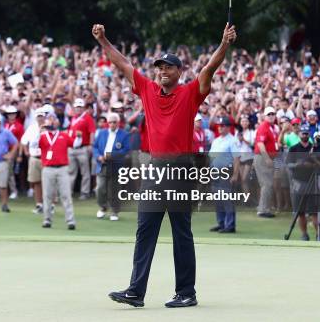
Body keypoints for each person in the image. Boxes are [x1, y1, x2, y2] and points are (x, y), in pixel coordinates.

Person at [92, 22, 236, 308]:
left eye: (167, 68)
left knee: (181, 232)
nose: (161, 71)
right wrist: (103, 40)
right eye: (159, 67)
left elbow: (209, 68)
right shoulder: (146, 90)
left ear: (178, 72)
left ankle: (187, 292)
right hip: (154, 169)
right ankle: (136, 291)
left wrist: (225, 44)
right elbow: (121, 62)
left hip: (181, 169)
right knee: (145, 229)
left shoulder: (190, 92)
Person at [38, 115, 81, 229]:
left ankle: (70, 221)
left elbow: (75, 144)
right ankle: (47, 219)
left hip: (62, 168)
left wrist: (79, 138)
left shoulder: (63, 135)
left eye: (54, 120)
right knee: (47, 195)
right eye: (50, 120)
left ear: (58, 123)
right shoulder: (42, 136)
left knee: (66, 195)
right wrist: (40, 130)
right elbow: (33, 144)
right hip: (48, 168)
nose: (52, 122)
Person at [286, 124, 320, 241]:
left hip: (313, 182)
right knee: (300, 212)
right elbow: (288, 164)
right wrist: (299, 164)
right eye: (303, 133)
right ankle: (304, 234)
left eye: (307, 133)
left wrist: (312, 164)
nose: (305, 135)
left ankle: (319, 235)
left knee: (314, 212)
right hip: (298, 182)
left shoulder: (315, 148)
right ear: (299, 134)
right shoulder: (293, 148)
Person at [93, 112, 130, 221]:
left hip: (116, 165)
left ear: (118, 123)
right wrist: (98, 156)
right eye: (110, 122)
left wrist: (110, 155)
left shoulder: (124, 134)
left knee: (114, 189)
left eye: (114, 122)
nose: (112, 124)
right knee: (100, 188)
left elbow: (126, 150)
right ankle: (103, 207)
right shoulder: (101, 133)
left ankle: (114, 211)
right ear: (107, 123)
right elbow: (95, 147)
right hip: (102, 164)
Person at [208, 116, 241, 233]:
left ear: (228, 127)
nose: (220, 128)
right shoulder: (216, 141)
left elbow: (237, 158)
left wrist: (235, 174)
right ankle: (221, 223)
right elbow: (211, 157)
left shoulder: (232, 140)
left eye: (222, 126)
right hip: (215, 172)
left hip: (227, 171)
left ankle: (230, 225)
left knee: (227, 199)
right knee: (218, 199)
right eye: (219, 126)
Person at [67, 98, 96, 199]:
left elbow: (92, 131)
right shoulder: (73, 118)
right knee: (71, 171)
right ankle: (68, 191)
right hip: (72, 148)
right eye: (77, 107)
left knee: (85, 172)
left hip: (83, 147)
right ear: (74, 108)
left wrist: (91, 145)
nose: (78, 109)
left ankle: (84, 192)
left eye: (80, 107)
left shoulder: (87, 118)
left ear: (83, 108)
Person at [254, 106, 279, 218]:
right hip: (263, 157)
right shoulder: (264, 126)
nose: (271, 116)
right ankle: (263, 210)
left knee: (267, 184)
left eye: (273, 114)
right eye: (269, 114)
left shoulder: (271, 127)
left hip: (266, 157)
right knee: (267, 184)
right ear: (264, 116)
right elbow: (260, 144)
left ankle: (263, 208)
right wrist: (267, 158)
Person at [20, 107, 45, 213]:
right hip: (34, 157)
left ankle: (50, 205)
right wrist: (26, 152)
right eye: (38, 116)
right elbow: (24, 141)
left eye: (42, 116)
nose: (40, 118)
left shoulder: (49, 127)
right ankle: (39, 204)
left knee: (48, 183)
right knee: (36, 182)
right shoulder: (31, 128)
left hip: (46, 159)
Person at [3, 105, 24, 199]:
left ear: (16, 115)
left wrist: (20, 154)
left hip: (13, 151)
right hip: (4, 150)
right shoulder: (5, 125)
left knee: (10, 171)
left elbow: (21, 141)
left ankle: (13, 191)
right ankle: (4, 190)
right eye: (9, 114)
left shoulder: (19, 126)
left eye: (13, 114)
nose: (11, 116)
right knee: (3, 170)